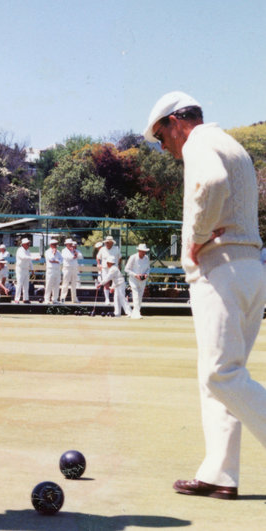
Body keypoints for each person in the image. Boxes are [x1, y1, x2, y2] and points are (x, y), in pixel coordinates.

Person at [145, 92, 266, 500]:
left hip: (222, 267)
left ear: (177, 122)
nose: (165, 149)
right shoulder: (231, 144)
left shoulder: (198, 141)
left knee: (220, 374)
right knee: (216, 377)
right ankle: (219, 473)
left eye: (162, 137)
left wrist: (196, 238)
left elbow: (211, 183)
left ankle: (221, 472)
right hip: (248, 266)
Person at [124, 243, 151, 319]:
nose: (144, 253)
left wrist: (146, 274)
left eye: (145, 251)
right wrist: (135, 275)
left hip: (143, 280)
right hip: (134, 280)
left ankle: (135, 312)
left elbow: (148, 269)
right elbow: (126, 269)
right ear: (139, 250)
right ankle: (137, 313)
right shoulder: (133, 257)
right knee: (135, 295)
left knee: (140, 296)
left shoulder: (146, 258)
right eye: (142, 251)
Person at [60, 239, 82, 303]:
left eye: (71, 244)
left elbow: (80, 256)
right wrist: (74, 256)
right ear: (66, 244)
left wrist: (75, 253)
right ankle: (62, 299)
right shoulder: (64, 251)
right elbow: (67, 257)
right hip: (67, 268)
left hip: (74, 268)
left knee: (74, 284)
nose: (70, 245)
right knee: (65, 284)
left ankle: (74, 299)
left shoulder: (74, 250)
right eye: (69, 244)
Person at [43, 239, 63, 304]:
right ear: (51, 245)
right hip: (50, 270)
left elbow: (61, 260)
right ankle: (46, 299)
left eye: (56, 244)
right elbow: (51, 259)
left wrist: (56, 261)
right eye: (54, 244)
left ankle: (55, 299)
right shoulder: (47, 252)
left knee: (56, 285)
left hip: (57, 270)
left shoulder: (59, 252)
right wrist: (54, 254)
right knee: (49, 285)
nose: (55, 246)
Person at [14, 238, 33, 303]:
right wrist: (32, 257)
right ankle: (17, 299)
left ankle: (25, 299)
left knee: (26, 285)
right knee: (19, 284)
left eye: (29, 243)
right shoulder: (20, 250)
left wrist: (32, 269)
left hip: (26, 269)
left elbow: (30, 261)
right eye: (27, 243)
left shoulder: (28, 251)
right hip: (20, 269)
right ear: (24, 244)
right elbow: (23, 257)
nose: (29, 245)